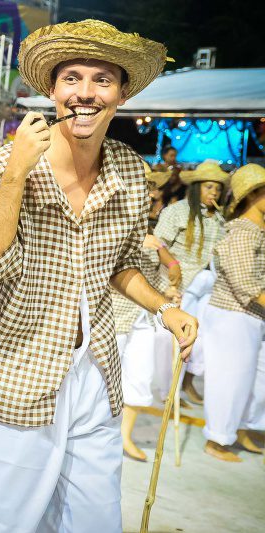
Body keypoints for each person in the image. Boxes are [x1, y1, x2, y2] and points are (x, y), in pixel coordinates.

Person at [0, 20, 198, 532]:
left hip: (95, 371)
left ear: (121, 94)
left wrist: (165, 307)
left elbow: (124, 264)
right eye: (73, 78)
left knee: (93, 517)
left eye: (102, 80)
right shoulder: (10, 161)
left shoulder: (130, 170)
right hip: (15, 375)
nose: (85, 93)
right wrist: (18, 171)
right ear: (52, 90)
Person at [112, 162, 181, 461]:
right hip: (114, 311)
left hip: (142, 315)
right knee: (102, 378)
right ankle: (101, 435)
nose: (149, 192)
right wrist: (141, 244)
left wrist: (166, 291)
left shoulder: (149, 225)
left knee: (140, 376)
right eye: (142, 184)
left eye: (149, 186)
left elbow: (155, 269)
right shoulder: (110, 218)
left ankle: (124, 437)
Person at [201, 163, 265, 462]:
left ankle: (241, 429)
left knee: (253, 379)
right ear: (255, 195)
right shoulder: (243, 232)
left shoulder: (255, 231)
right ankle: (217, 439)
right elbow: (245, 284)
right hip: (233, 316)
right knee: (230, 379)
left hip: (250, 316)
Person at [155, 159, 228, 405]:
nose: (214, 193)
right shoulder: (177, 211)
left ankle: (187, 384)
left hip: (210, 284)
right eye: (208, 187)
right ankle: (170, 393)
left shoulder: (219, 218)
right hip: (183, 283)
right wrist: (172, 270)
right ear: (197, 187)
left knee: (204, 339)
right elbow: (159, 244)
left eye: (217, 188)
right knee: (179, 339)